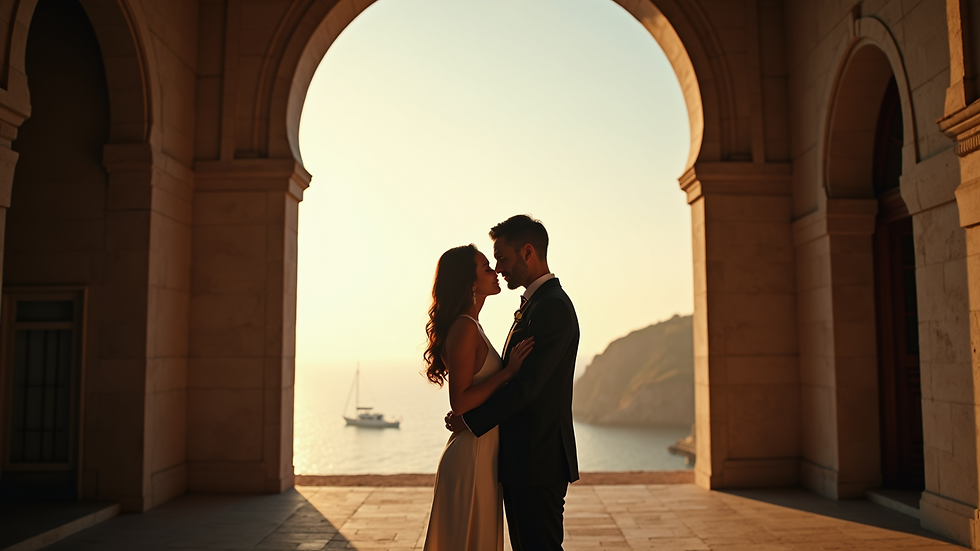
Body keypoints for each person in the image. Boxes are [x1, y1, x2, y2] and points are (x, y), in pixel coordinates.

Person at [447, 215, 580, 551]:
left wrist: (470, 420)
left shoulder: (553, 307)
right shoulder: (536, 303)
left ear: (528, 252)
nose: (499, 268)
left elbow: (526, 388)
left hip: (539, 459)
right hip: (524, 459)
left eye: (502, 258)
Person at [422, 244, 534, 551]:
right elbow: (459, 402)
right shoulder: (464, 327)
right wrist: (508, 372)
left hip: (481, 451)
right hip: (471, 456)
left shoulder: (471, 326)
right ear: (470, 282)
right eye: (486, 267)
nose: (495, 270)